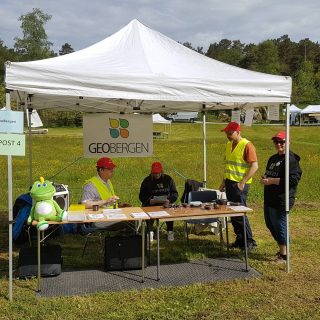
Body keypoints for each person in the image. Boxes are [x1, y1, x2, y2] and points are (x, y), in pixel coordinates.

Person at [260, 131, 302, 262]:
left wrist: (271, 181)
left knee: (280, 225)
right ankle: (283, 248)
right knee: (270, 224)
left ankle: (284, 255)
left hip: (282, 199)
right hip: (269, 198)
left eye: (281, 142)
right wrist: (265, 178)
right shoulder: (273, 159)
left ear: (288, 142)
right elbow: (270, 174)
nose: (278, 144)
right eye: (276, 142)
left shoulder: (291, 160)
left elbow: (292, 180)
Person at [219, 122, 258, 250]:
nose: (228, 136)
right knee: (233, 214)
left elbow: (254, 166)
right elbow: (228, 165)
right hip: (230, 183)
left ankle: (249, 241)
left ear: (238, 132)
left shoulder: (247, 145)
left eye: (230, 133)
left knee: (240, 213)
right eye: (226, 133)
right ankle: (240, 240)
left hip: (240, 185)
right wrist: (224, 182)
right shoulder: (229, 144)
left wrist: (243, 182)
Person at [81, 157, 129, 230]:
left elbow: (108, 201)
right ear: (101, 170)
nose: (112, 170)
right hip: (98, 219)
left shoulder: (108, 181)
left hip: (110, 214)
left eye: (112, 168)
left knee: (131, 217)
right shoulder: (90, 185)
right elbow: (85, 204)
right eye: (109, 168)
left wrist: (119, 205)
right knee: (130, 219)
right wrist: (105, 201)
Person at [139, 162, 178, 241]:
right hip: (151, 204)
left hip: (165, 204)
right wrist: (150, 201)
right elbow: (141, 196)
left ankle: (170, 231)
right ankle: (150, 232)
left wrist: (169, 200)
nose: (156, 175)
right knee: (148, 210)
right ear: (151, 172)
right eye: (154, 173)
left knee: (169, 211)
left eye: (158, 173)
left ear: (162, 171)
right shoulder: (146, 181)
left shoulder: (168, 179)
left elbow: (175, 193)